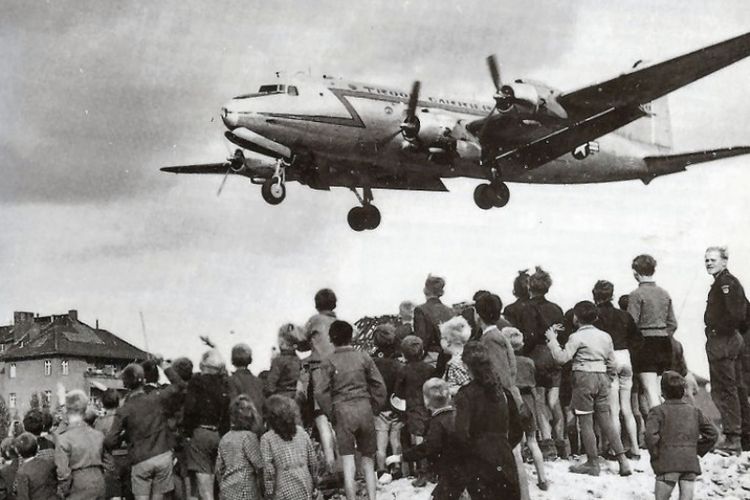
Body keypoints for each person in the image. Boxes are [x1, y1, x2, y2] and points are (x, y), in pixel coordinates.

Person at [545, 301, 632, 477]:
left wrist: (553, 341)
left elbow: (562, 358)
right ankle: (623, 461)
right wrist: (608, 379)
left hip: (584, 377)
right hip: (602, 377)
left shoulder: (576, 337)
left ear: (576, 318)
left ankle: (592, 462)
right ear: (596, 317)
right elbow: (611, 362)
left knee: (585, 421)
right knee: (606, 420)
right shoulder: (605, 336)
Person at [316, 320, 387, 500]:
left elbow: (320, 392)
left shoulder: (328, 361)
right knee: (368, 462)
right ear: (351, 336)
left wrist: (332, 413)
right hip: (364, 408)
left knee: (348, 463)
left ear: (332, 339)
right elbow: (379, 386)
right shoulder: (364, 357)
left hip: (342, 411)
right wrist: (375, 408)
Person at [455, 342, 523, 500]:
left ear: (466, 366)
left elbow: (461, 435)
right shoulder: (503, 392)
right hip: (504, 456)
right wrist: (501, 444)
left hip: (479, 459)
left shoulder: (465, 394)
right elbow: (517, 430)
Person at [104, 363, 181, 500]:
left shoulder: (124, 409)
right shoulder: (157, 398)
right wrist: (163, 364)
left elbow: (110, 441)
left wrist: (123, 437)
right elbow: (178, 385)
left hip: (140, 459)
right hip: (162, 454)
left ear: (125, 384)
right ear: (144, 380)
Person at [512, 267, 565, 460]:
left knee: (540, 400)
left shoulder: (528, 308)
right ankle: (561, 442)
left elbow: (530, 336)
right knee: (555, 401)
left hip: (538, 355)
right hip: (555, 352)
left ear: (529, 286)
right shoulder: (556, 308)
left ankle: (547, 442)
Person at [703, 246, 750, 454]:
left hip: (724, 339)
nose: (709, 263)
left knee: (724, 388)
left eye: (713, 260)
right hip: (730, 339)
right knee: (736, 386)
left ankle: (733, 438)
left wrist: (715, 330)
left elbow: (736, 315)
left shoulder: (726, 283)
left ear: (724, 261)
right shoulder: (725, 282)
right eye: (706, 260)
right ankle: (742, 436)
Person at [388, 378, 467, 500]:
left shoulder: (436, 422)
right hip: (465, 468)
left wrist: (401, 457)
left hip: (450, 472)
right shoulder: (457, 416)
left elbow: (428, 447)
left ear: (426, 401)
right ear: (449, 397)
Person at [645, 371, 719, 500]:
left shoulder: (657, 412)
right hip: (689, 462)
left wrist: (657, 455)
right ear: (683, 391)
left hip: (667, 463)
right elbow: (713, 434)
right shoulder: (695, 411)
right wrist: (695, 450)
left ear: (663, 392)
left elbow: (650, 436)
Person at [592, 280, 643, 458]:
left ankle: (616, 448)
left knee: (614, 409)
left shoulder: (595, 317)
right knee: (627, 408)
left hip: (610, 358)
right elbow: (638, 339)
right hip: (625, 356)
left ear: (594, 294)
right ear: (612, 295)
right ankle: (635, 448)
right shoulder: (624, 315)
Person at [627, 254, 678, 414]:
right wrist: (663, 333)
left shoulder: (636, 295)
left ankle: (661, 430)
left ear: (636, 272)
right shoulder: (664, 293)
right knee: (660, 389)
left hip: (645, 344)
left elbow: (631, 324)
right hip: (664, 343)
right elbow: (673, 323)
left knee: (650, 391)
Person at [183, 349, 231, 500]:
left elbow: (190, 409)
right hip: (220, 434)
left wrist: (188, 433)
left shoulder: (196, 382)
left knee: (205, 487)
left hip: (201, 433)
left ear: (202, 364)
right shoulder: (225, 384)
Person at [505, 327, 548, 491]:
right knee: (532, 440)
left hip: (514, 401)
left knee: (515, 445)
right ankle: (542, 478)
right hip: (529, 400)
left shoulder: (507, 364)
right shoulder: (529, 362)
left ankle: (519, 479)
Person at [394, 335, 437, 487]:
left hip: (414, 409)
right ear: (422, 351)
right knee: (429, 440)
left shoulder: (404, 370)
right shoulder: (430, 369)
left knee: (417, 442)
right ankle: (431, 471)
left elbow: (398, 393)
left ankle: (421, 472)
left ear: (404, 354)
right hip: (430, 408)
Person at [260, 395, 317, 500]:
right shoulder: (301, 432)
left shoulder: (267, 439)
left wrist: (269, 493)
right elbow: (312, 461)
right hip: (305, 484)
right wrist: (314, 482)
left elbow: (269, 471)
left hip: (283, 489)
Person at [55, 390, 106, 499]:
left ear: (67, 410)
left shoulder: (64, 438)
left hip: (78, 486)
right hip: (99, 483)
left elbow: (63, 473)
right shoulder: (98, 435)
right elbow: (108, 463)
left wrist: (65, 491)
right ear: (85, 409)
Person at [370, 324, 404, 479]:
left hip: (379, 408)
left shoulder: (371, 363)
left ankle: (381, 470)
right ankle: (397, 468)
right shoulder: (398, 364)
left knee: (380, 443)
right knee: (396, 440)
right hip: (395, 407)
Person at [215, 395, 263, 500]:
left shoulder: (225, 438)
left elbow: (219, 469)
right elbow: (259, 465)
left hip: (227, 490)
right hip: (245, 489)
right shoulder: (249, 437)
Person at [93, 389, 131, 500]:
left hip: (110, 465)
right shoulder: (127, 420)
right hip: (128, 461)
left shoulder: (99, 423)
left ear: (103, 403)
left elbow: (98, 447)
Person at [414, 275, 454, 366]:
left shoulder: (421, 310)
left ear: (425, 290)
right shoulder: (450, 311)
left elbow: (422, 339)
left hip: (431, 358)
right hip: (450, 356)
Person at [228, 343, 265, 432]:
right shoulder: (258, 381)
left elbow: (232, 405)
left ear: (232, 360)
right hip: (258, 426)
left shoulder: (231, 380)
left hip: (241, 428)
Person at [265, 324, 304, 400]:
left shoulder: (278, 361)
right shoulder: (298, 360)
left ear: (281, 342)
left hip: (282, 400)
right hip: (298, 400)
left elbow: (270, 387)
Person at [13, 432, 57, 500]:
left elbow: (23, 497)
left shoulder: (21, 472)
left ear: (18, 452)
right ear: (38, 448)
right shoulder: (49, 462)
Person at [439, 316, 472, 395]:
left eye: (442, 338)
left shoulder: (455, 364)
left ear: (448, 341)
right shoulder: (465, 358)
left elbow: (468, 389)